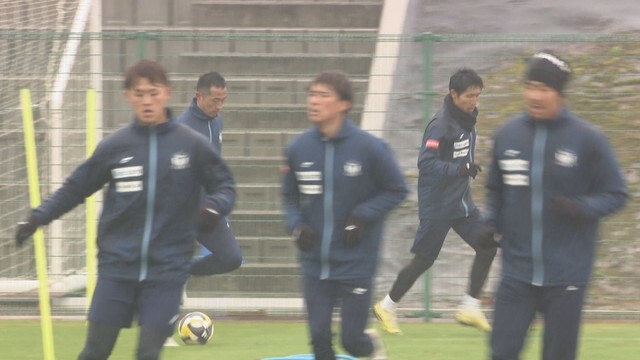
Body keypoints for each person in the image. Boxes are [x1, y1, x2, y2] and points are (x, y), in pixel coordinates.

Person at [14, 59, 237, 360]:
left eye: (153, 92)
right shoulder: (115, 147)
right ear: (128, 96)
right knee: (95, 351)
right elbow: (75, 188)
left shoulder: (190, 144)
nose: (147, 100)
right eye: (139, 93)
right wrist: (37, 217)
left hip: (166, 273)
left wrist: (214, 207)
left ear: (167, 93)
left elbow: (226, 185)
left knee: (147, 353)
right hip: (117, 269)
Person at [486, 52, 627, 360]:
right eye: (530, 86)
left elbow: (617, 194)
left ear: (560, 93)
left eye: (544, 89)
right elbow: (495, 190)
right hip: (516, 273)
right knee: (501, 352)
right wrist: (490, 221)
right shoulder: (507, 135)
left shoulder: (588, 139)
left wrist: (581, 208)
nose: (534, 95)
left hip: (567, 275)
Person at [282, 70, 408, 360]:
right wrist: (296, 225)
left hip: (356, 262)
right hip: (315, 264)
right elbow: (289, 197)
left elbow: (397, 190)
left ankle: (371, 348)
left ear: (344, 104)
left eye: (323, 95)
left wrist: (361, 216)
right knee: (319, 341)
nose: (314, 101)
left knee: (352, 341)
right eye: (311, 94)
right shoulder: (298, 148)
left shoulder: (370, 148)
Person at [373, 68, 497, 334]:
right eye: (469, 96)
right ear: (453, 94)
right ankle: (386, 306)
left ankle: (470, 307)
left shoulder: (467, 119)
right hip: (438, 205)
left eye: (477, 95)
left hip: (461, 203)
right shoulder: (440, 125)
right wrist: (460, 170)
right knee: (424, 260)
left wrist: (464, 172)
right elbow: (426, 163)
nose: (474, 101)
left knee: (488, 246)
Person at [176, 71, 242, 276]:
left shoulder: (217, 121)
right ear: (199, 97)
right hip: (182, 211)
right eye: (215, 101)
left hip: (210, 209)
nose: (220, 106)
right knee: (167, 265)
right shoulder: (181, 128)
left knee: (231, 258)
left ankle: (183, 272)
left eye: (223, 101)